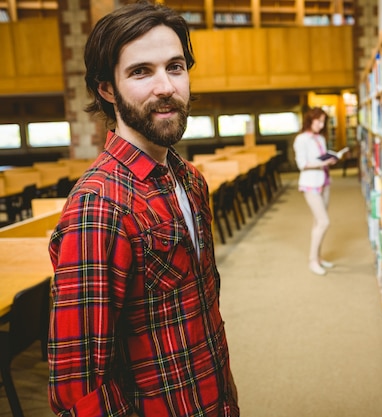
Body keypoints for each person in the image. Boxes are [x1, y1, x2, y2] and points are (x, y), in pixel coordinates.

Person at [47, 2, 239, 416]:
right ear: (107, 89)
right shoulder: (98, 207)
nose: (165, 86)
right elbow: (77, 387)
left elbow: (201, 312)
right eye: (140, 71)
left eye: (175, 67)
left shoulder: (189, 179)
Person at [293, 107, 338, 276]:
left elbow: (321, 157)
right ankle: (312, 260)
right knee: (324, 221)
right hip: (310, 184)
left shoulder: (320, 138)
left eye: (323, 122)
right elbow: (302, 164)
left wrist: (329, 160)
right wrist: (322, 163)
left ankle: (318, 257)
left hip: (324, 182)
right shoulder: (301, 139)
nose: (321, 125)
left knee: (317, 222)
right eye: (318, 121)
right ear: (310, 120)